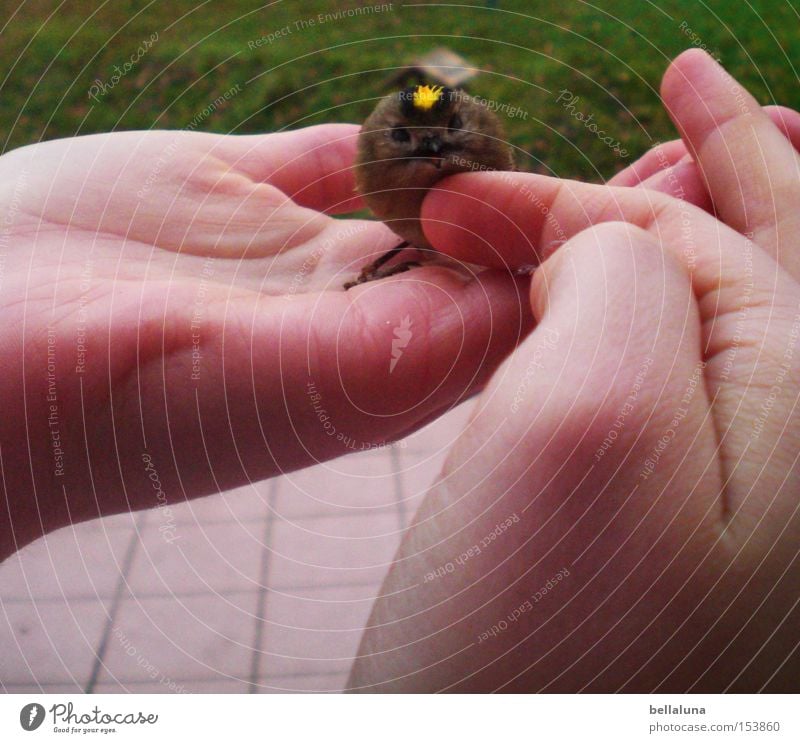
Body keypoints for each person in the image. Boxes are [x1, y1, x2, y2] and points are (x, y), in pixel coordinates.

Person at [1, 49, 798, 691]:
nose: (432, 149)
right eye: (413, 139)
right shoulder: (393, 147)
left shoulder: (454, 137)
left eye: (447, 136)